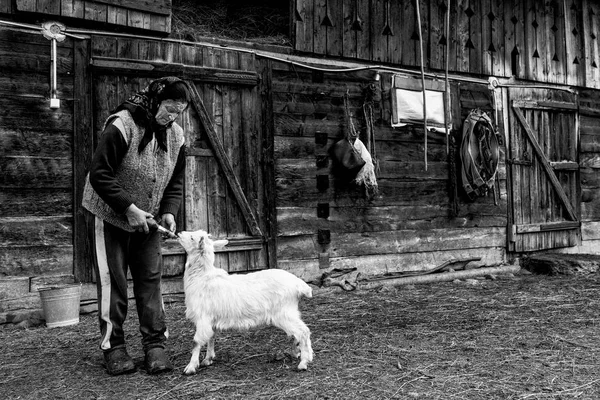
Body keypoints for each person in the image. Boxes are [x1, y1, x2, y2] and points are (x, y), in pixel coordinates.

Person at [82, 76, 190, 375]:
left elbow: (176, 180)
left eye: (178, 112)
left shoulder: (177, 135)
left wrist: (168, 210)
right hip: (110, 215)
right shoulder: (122, 124)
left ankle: (155, 345)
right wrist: (128, 208)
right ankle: (113, 347)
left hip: (148, 222)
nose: (172, 116)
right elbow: (99, 174)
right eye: (168, 108)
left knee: (150, 281)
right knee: (113, 283)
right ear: (155, 101)